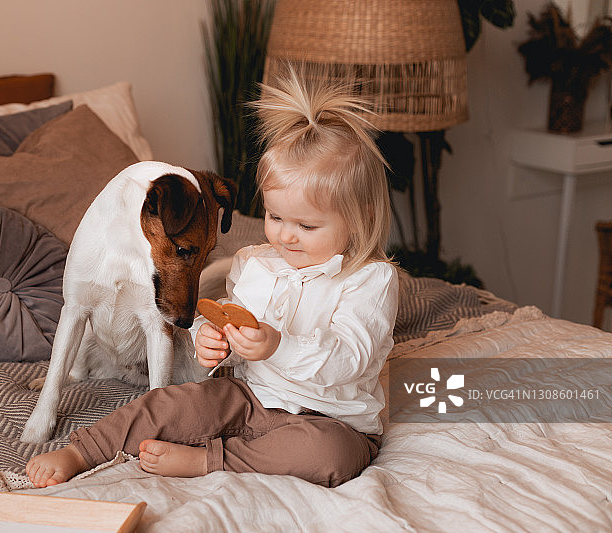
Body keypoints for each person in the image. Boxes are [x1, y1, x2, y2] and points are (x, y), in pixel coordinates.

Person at [26, 65, 399, 489]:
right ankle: (85, 449)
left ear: (359, 218)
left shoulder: (371, 281)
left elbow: (351, 359)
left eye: (307, 226)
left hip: (328, 417)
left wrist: (277, 345)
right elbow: (227, 325)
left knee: (329, 455)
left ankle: (212, 461)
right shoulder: (254, 263)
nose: (285, 235)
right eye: (275, 217)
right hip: (246, 397)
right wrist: (211, 340)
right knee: (168, 404)